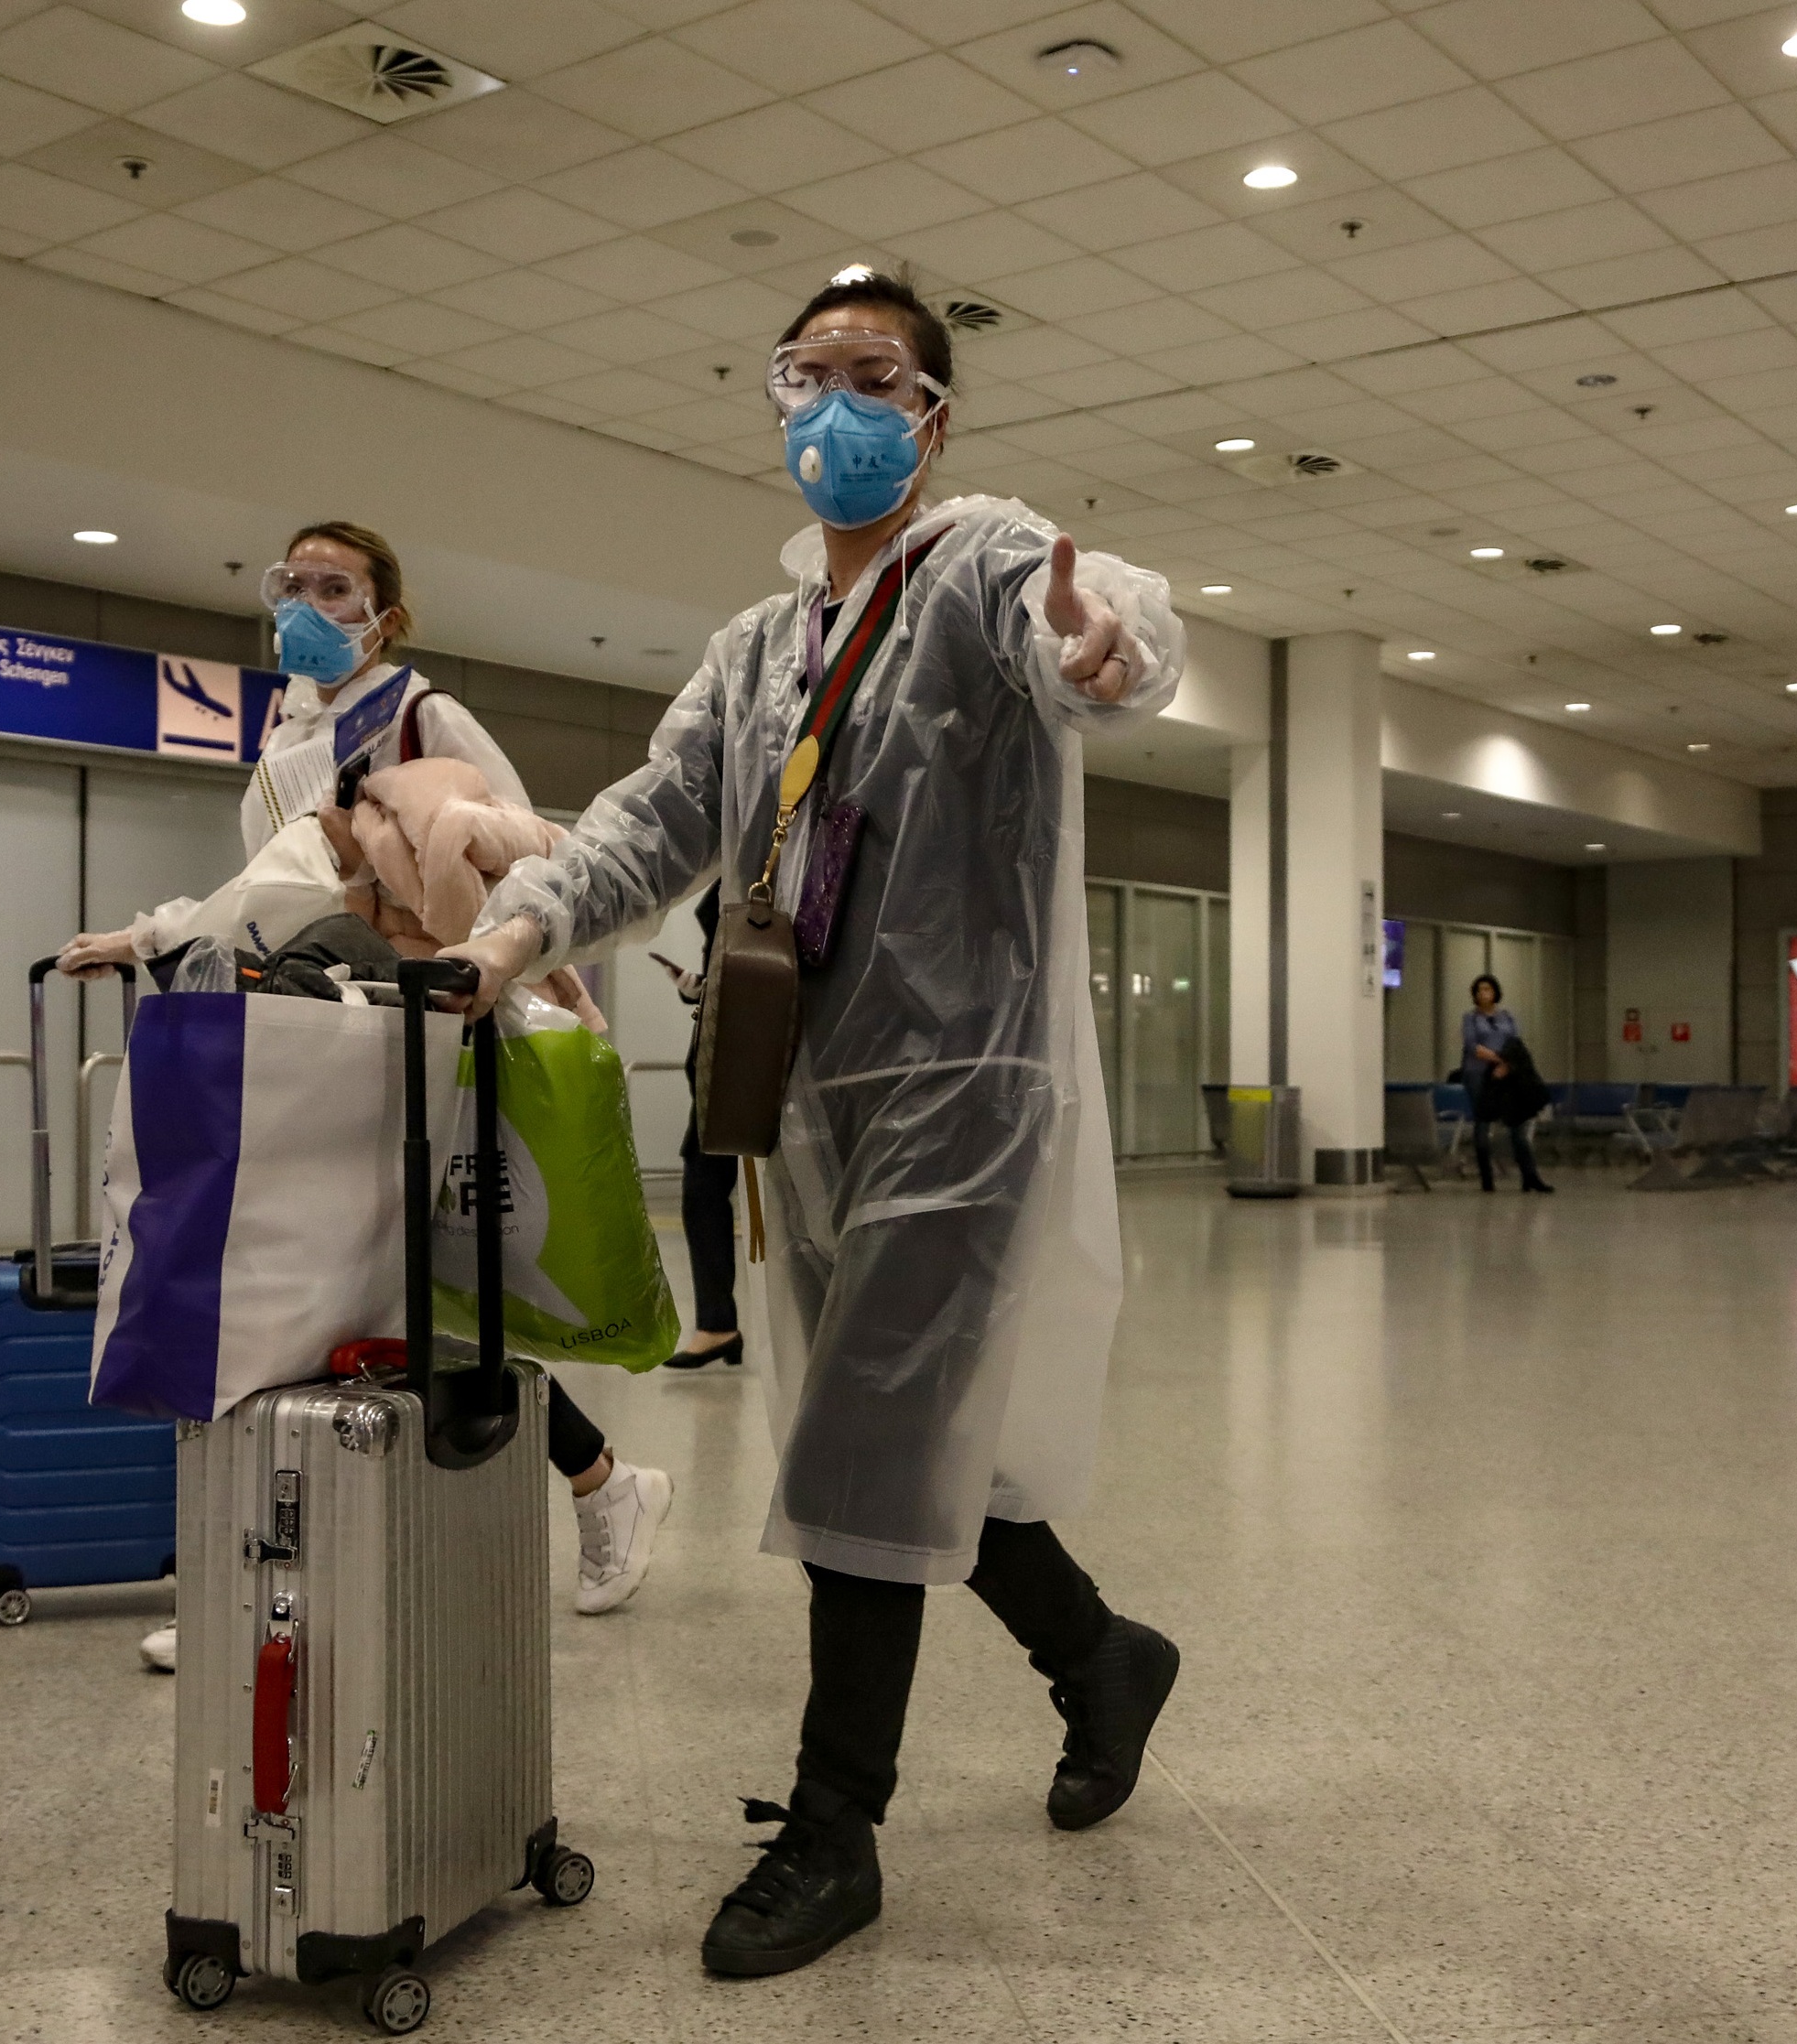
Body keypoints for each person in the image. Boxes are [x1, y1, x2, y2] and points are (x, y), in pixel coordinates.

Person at [447, 268, 1184, 1979]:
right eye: (806, 372)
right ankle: (1100, 1655)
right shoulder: (754, 649)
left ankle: (837, 1827)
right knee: (908, 1431)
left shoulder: (979, 561)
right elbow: (652, 819)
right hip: (812, 1094)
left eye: (873, 375)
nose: (834, 403)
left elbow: (1101, 628)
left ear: (932, 417)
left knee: (856, 1440)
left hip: (964, 1080)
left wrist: (1113, 647)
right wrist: (511, 934)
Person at [56, 523, 669, 1664]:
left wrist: (519, 977)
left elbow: (534, 871)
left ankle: (278, 1584)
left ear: (385, 615)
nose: (303, 602)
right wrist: (148, 935)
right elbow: (268, 886)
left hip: (408, 1026)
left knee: (331, 1300)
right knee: (339, 1305)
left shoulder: (424, 712)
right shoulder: (286, 726)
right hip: (316, 1014)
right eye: (290, 581)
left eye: (333, 587)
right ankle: (588, 1482)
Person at [659, 893, 743, 1369]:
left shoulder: (756, 867)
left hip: (739, 1061)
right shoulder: (740, 870)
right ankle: (717, 1324)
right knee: (702, 1188)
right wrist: (697, 990)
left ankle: (719, 1325)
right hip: (727, 1061)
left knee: (704, 1190)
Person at [1459, 974, 1552, 1195]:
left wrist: (1508, 1064)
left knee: (1518, 1124)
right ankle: (1487, 1178)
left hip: (1507, 1073)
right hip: (1479, 1073)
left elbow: (1515, 1044)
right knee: (1483, 1122)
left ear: (1495, 993)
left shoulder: (1507, 1017)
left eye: (1488, 989)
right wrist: (1498, 1060)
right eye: (1480, 990)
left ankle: (1530, 1176)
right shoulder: (1470, 1019)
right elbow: (1473, 1046)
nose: (1484, 994)